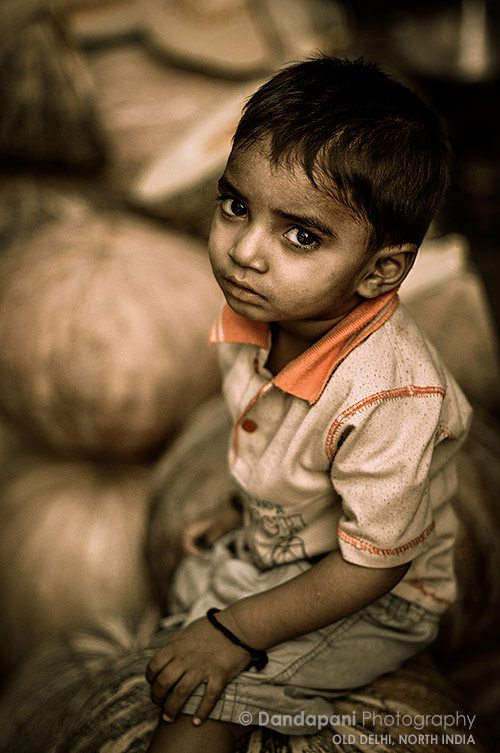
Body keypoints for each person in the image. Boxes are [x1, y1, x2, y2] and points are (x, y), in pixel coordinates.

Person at [145, 56, 472, 753]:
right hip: (292, 553)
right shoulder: (267, 310)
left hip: (376, 594)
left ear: (381, 270)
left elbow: (375, 564)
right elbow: (297, 457)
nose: (246, 252)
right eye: (236, 205)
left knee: (197, 703)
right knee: (181, 594)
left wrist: (233, 631)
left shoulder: (390, 393)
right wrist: (247, 511)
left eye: (302, 235)